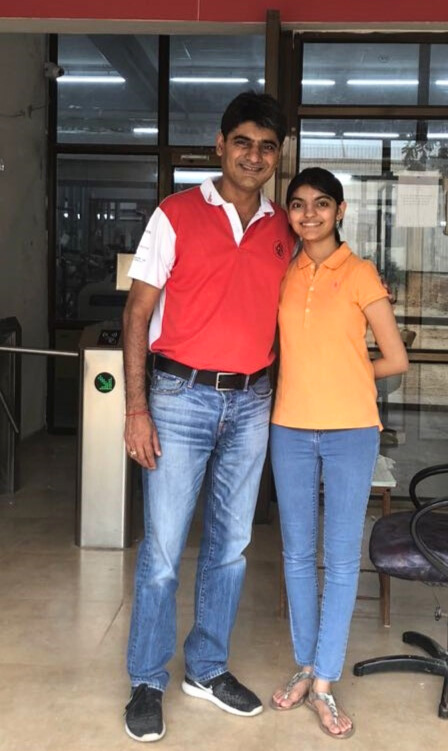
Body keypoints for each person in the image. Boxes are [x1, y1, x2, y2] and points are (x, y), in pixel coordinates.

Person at [122, 92, 295, 742]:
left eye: (267, 145)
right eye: (243, 141)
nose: (254, 155)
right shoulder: (174, 214)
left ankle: (207, 667)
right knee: (164, 550)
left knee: (231, 547)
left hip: (252, 400)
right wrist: (136, 407)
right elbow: (137, 312)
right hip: (178, 396)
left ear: (277, 156)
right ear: (220, 145)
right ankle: (146, 678)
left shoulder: (283, 227)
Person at [269, 167, 408, 739]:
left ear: (341, 211)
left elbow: (396, 360)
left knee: (342, 556)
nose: (309, 215)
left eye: (321, 205)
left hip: (352, 429)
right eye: (298, 205)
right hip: (290, 429)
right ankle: (306, 666)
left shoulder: (361, 273)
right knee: (298, 555)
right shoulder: (283, 272)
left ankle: (324, 681)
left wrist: (349, 376)